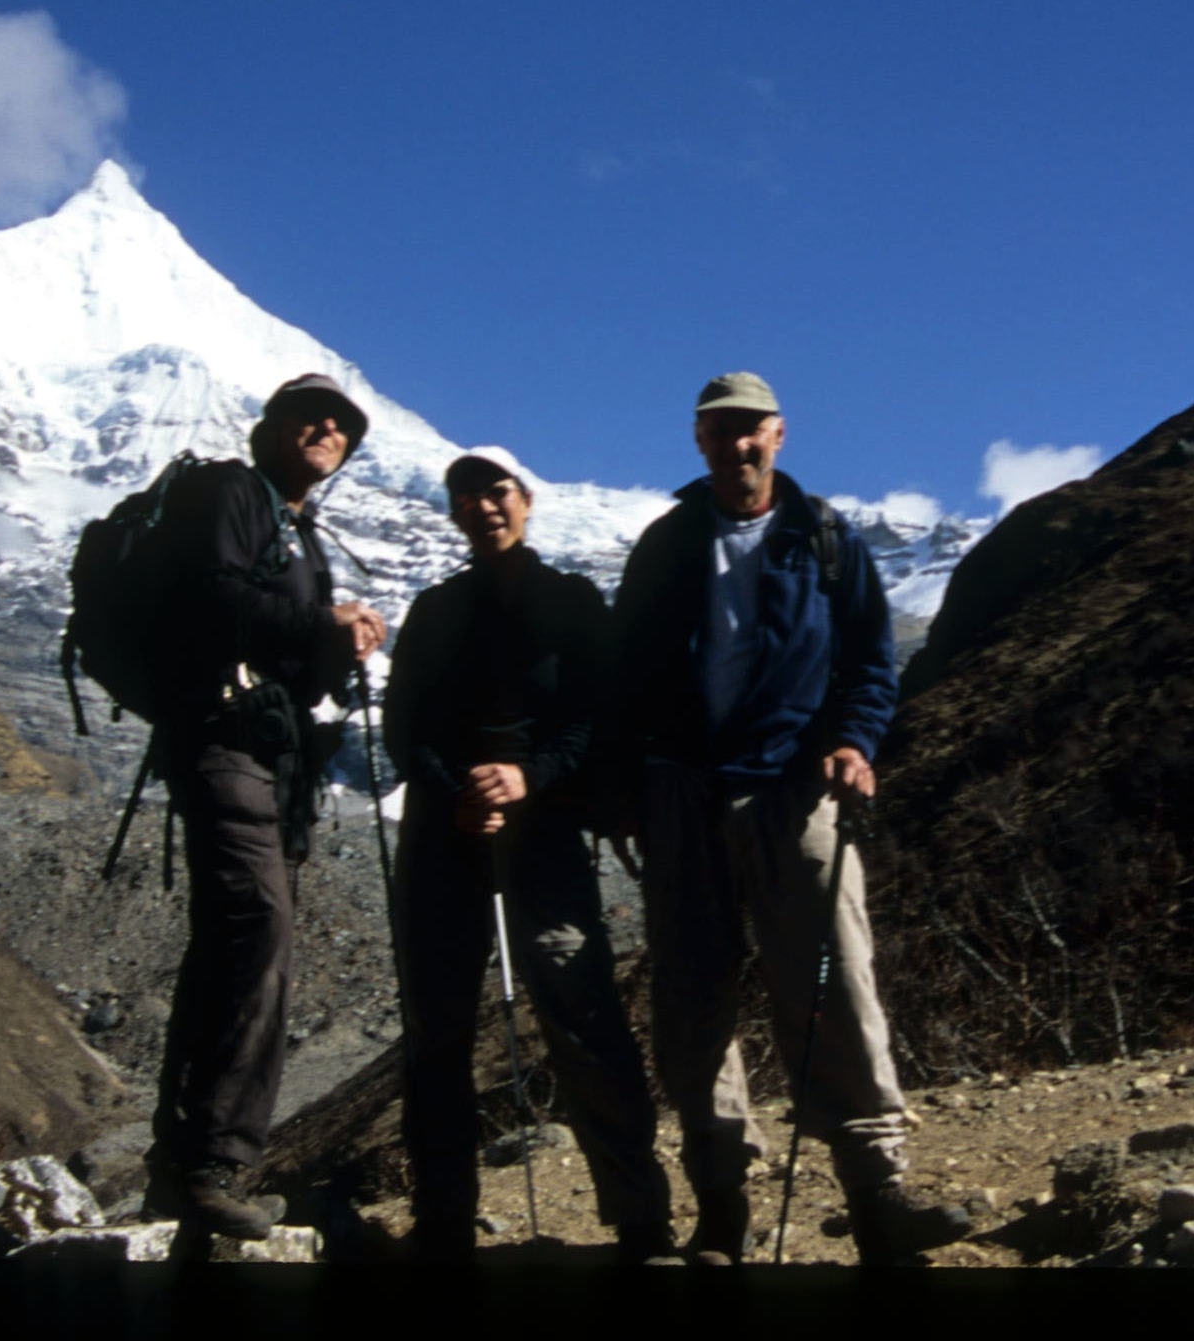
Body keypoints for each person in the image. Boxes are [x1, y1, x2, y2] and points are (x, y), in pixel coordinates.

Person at [603, 372, 965, 1265]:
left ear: (779, 434)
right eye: (720, 432)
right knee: (693, 1003)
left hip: (792, 789)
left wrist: (853, 740)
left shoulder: (826, 540)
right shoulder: (667, 544)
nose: (738, 446)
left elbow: (871, 664)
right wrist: (624, 787)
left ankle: (879, 1192)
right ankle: (722, 1206)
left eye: (750, 430)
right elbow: (626, 675)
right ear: (699, 440)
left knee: (836, 986)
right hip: (682, 792)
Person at [382, 448, 678, 1264]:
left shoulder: (572, 602)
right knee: (435, 1027)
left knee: (580, 1007)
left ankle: (638, 1214)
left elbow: (596, 716)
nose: (482, 505)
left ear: (526, 500)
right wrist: (459, 793)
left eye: (496, 490)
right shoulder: (434, 609)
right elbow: (405, 725)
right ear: (452, 511)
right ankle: (443, 1218)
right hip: (445, 835)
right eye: (465, 494)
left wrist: (529, 777)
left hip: (543, 831)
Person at [142, 373, 388, 1244]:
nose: (328, 430)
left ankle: (182, 1166)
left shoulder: (300, 530)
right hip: (223, 740)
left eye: (343, 424)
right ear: (271, 428)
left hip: (274, 763)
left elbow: (295, 654)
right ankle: (214, 1162)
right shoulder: (232, 493)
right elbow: (210, 596)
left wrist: (336, 639)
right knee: (256, 929)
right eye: (310, 416)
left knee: (238, 942)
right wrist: (323, 617)